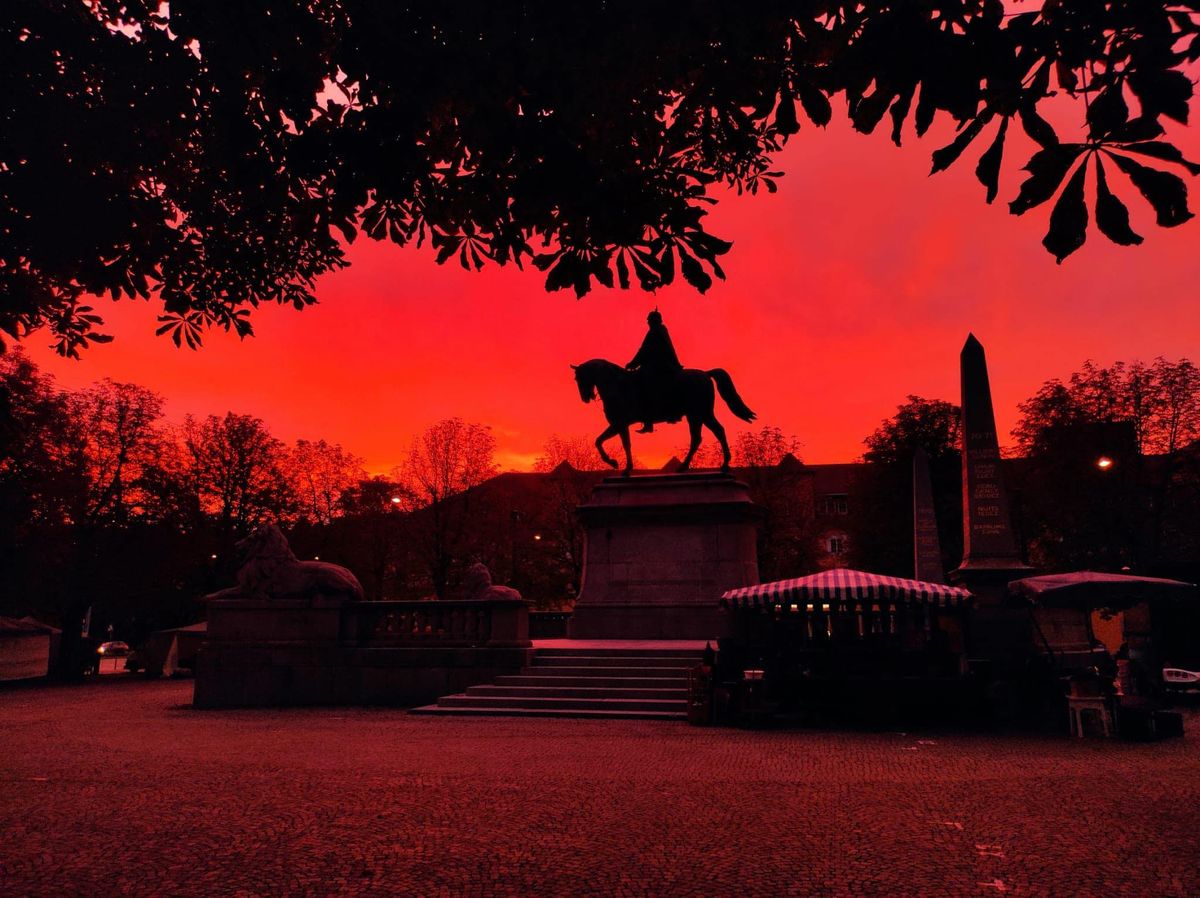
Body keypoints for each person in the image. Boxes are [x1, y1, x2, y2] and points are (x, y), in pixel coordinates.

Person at [626, 309, 684, 433]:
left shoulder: (655, 331)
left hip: (658, 365)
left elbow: (644, 350)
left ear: (654, 321)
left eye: (649, 320)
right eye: (648, 320)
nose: (648, 322)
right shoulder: (660, 330)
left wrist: (633, 363)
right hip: (659, 364)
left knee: (642, 385)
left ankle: (648, 421)